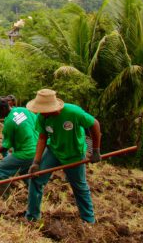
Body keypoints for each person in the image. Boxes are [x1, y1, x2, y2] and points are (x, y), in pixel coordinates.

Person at [25, 89, 101, 224]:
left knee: (79, 187)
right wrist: (36, 162)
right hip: (53, 151)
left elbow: (94, 124)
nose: (41, 113)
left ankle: (89, 220)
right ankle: (32, 217)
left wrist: (95, 150)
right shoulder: (42, 117)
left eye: (44, 110)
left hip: (74, 154)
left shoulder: (73, 112)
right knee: (36, 179)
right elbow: (42, 138)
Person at [0, 96, 37, 193]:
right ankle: (35, 194)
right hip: (39, 150)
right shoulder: (23, 110)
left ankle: (5, 198)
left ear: (4, 109)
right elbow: (37, 121)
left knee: (0, 169)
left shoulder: (9, 123)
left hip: (26, 153)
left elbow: (6, 146)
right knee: (24, 172)